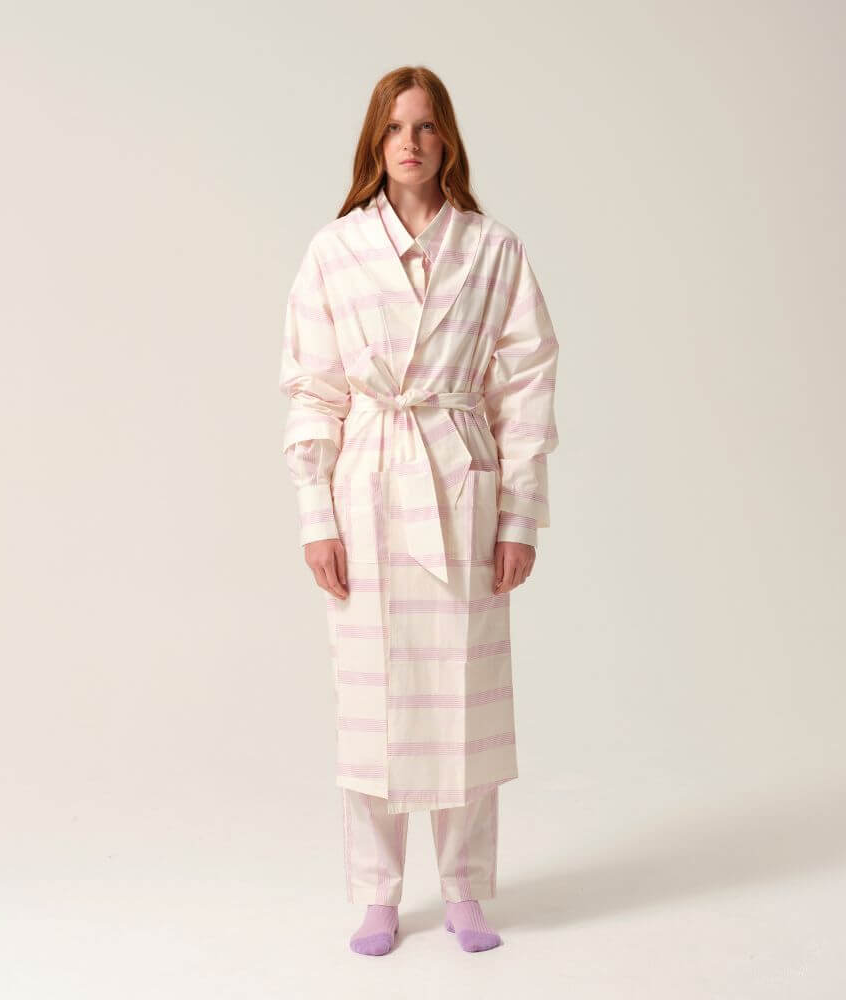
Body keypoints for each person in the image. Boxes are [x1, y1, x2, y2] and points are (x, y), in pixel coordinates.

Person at [278, 65, 559, 956]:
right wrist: (316, 517)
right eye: (396, 127)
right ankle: (377, 894)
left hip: (459, 483)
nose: (411, 142)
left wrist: (518, 518)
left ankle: (466, 888)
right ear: (376, 140)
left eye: (427, 126)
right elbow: (313, 388)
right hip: (366, 486)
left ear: (448, 142)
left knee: (465, 693)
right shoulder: (334, 251)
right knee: (371, 697)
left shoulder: (493, 249)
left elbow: (527, 385)